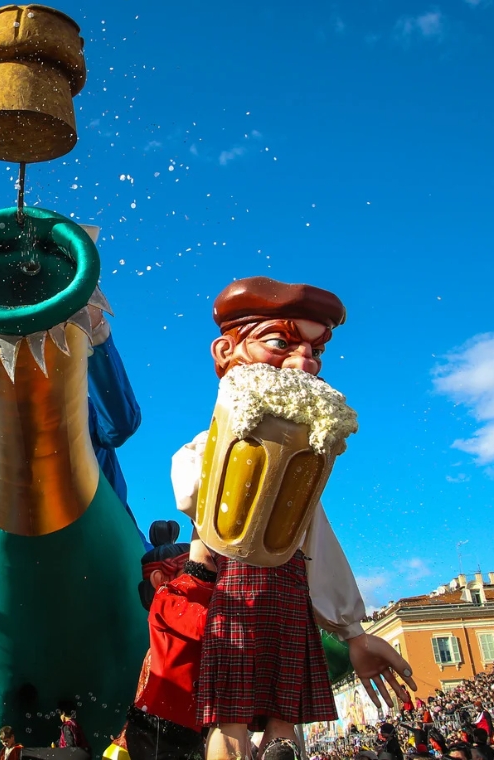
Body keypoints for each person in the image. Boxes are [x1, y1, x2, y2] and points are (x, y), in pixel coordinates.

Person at [172, 277, 416, 760]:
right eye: (281, 342)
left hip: (286, 588)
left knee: (282, 721)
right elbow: (192, 495)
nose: (304, 361)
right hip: (234, 588)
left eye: (316, 350)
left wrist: (353, 632)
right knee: (233, 719)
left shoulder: (304, 467)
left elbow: (316, 542)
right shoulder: (202, 449)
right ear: (227, 351)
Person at [0, 289, 145, 582]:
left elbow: (120, 424)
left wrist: (96, 331)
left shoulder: (71, 404)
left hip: (109, 563)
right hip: (11, 578)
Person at [106, 521, 215, 760]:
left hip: (187, 726)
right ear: (159, 578)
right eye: (188, 570)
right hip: (158, 727)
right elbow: (205, 624)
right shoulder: (167, 598)